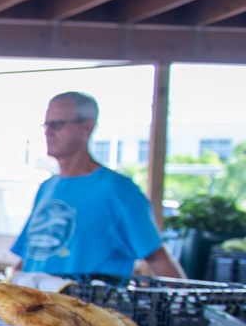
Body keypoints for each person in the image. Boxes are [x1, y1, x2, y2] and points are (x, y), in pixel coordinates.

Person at [12, 91, 183, 280]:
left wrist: (189, 304)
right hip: (31, 305)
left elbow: (157, 257)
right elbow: (28, 256)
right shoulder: (47, 187)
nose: (48, 132)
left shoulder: (118, 190)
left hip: (85, 306)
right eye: (46, 125)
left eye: (57, 124)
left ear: (86, 127)